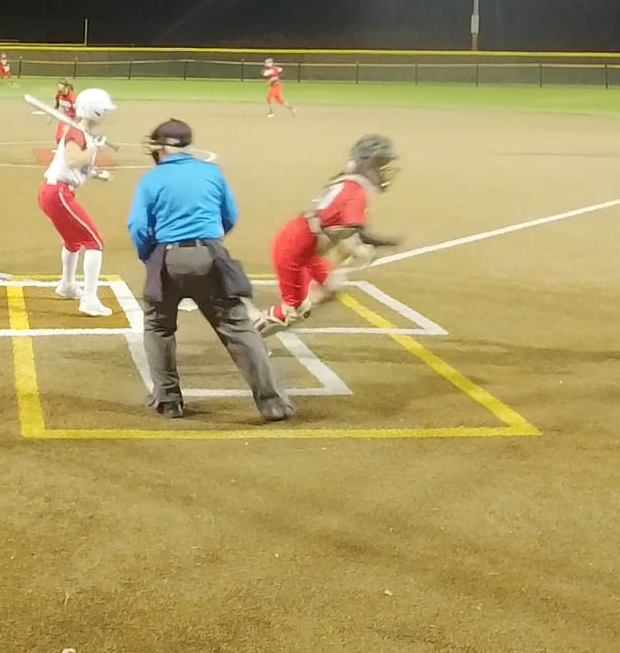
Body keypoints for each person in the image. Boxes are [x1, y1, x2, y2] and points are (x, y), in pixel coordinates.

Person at [126, 118, 294, 421]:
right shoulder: (211, 172)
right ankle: (273, 403)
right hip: (210, 255)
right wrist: (209, 242)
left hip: (166, 258)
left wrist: (148, 255)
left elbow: (138, 226)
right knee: (238, 328)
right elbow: (229, 216)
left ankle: (169, 401)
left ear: (161, 148)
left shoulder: (151, 180)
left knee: (158, 327)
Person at [260, 135, 403, 335]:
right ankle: (247, 334)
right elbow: (359, 232)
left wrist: (356, 246)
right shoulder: (356, 191)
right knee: (294, 311)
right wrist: (390, 242)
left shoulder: (349, 182)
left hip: (305, 243)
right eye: (381, 164)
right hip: (295, 249)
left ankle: (305, 293)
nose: (384, 170)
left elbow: (339, 227)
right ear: (367, 164)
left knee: (330, 285)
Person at [39, 87, 117, 317]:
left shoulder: (81, 133)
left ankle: (67, 285)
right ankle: (89, 299)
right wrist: (94, 147)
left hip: (55, 191)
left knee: (73, 241)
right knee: (95, 242)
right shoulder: (77, 133)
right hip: (58, 193)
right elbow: (73, 160)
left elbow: (76, 167)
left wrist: (96, 173)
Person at [51, 78, 77, 144]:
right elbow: (57, 105)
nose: (59, 90)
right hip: (64, 117)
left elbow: (78, 110)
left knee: (66, 137)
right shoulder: (59, 95)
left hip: (72, 119)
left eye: (61, 88)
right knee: (58, 138)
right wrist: (51, 114)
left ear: (66, 87)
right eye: (59, 88)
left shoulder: (72, 97)